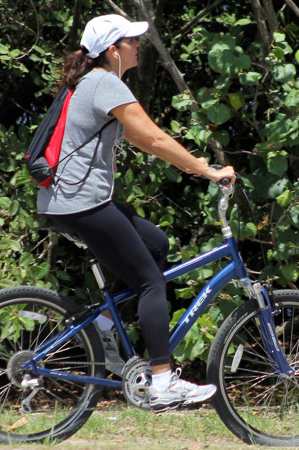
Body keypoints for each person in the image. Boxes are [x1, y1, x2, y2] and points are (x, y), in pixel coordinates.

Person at [37, 14, 235, 413]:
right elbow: (156, 136)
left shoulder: (89, 83)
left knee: (155, 245)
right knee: (150, 283)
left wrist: (189, 163)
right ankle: (162, 381)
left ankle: (108, 328)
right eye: (132, 40)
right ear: (114, 50)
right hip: (82, 203)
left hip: (67, 202)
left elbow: (141, 138)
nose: (137, 45)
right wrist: (207, 171)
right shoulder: (104, 81)